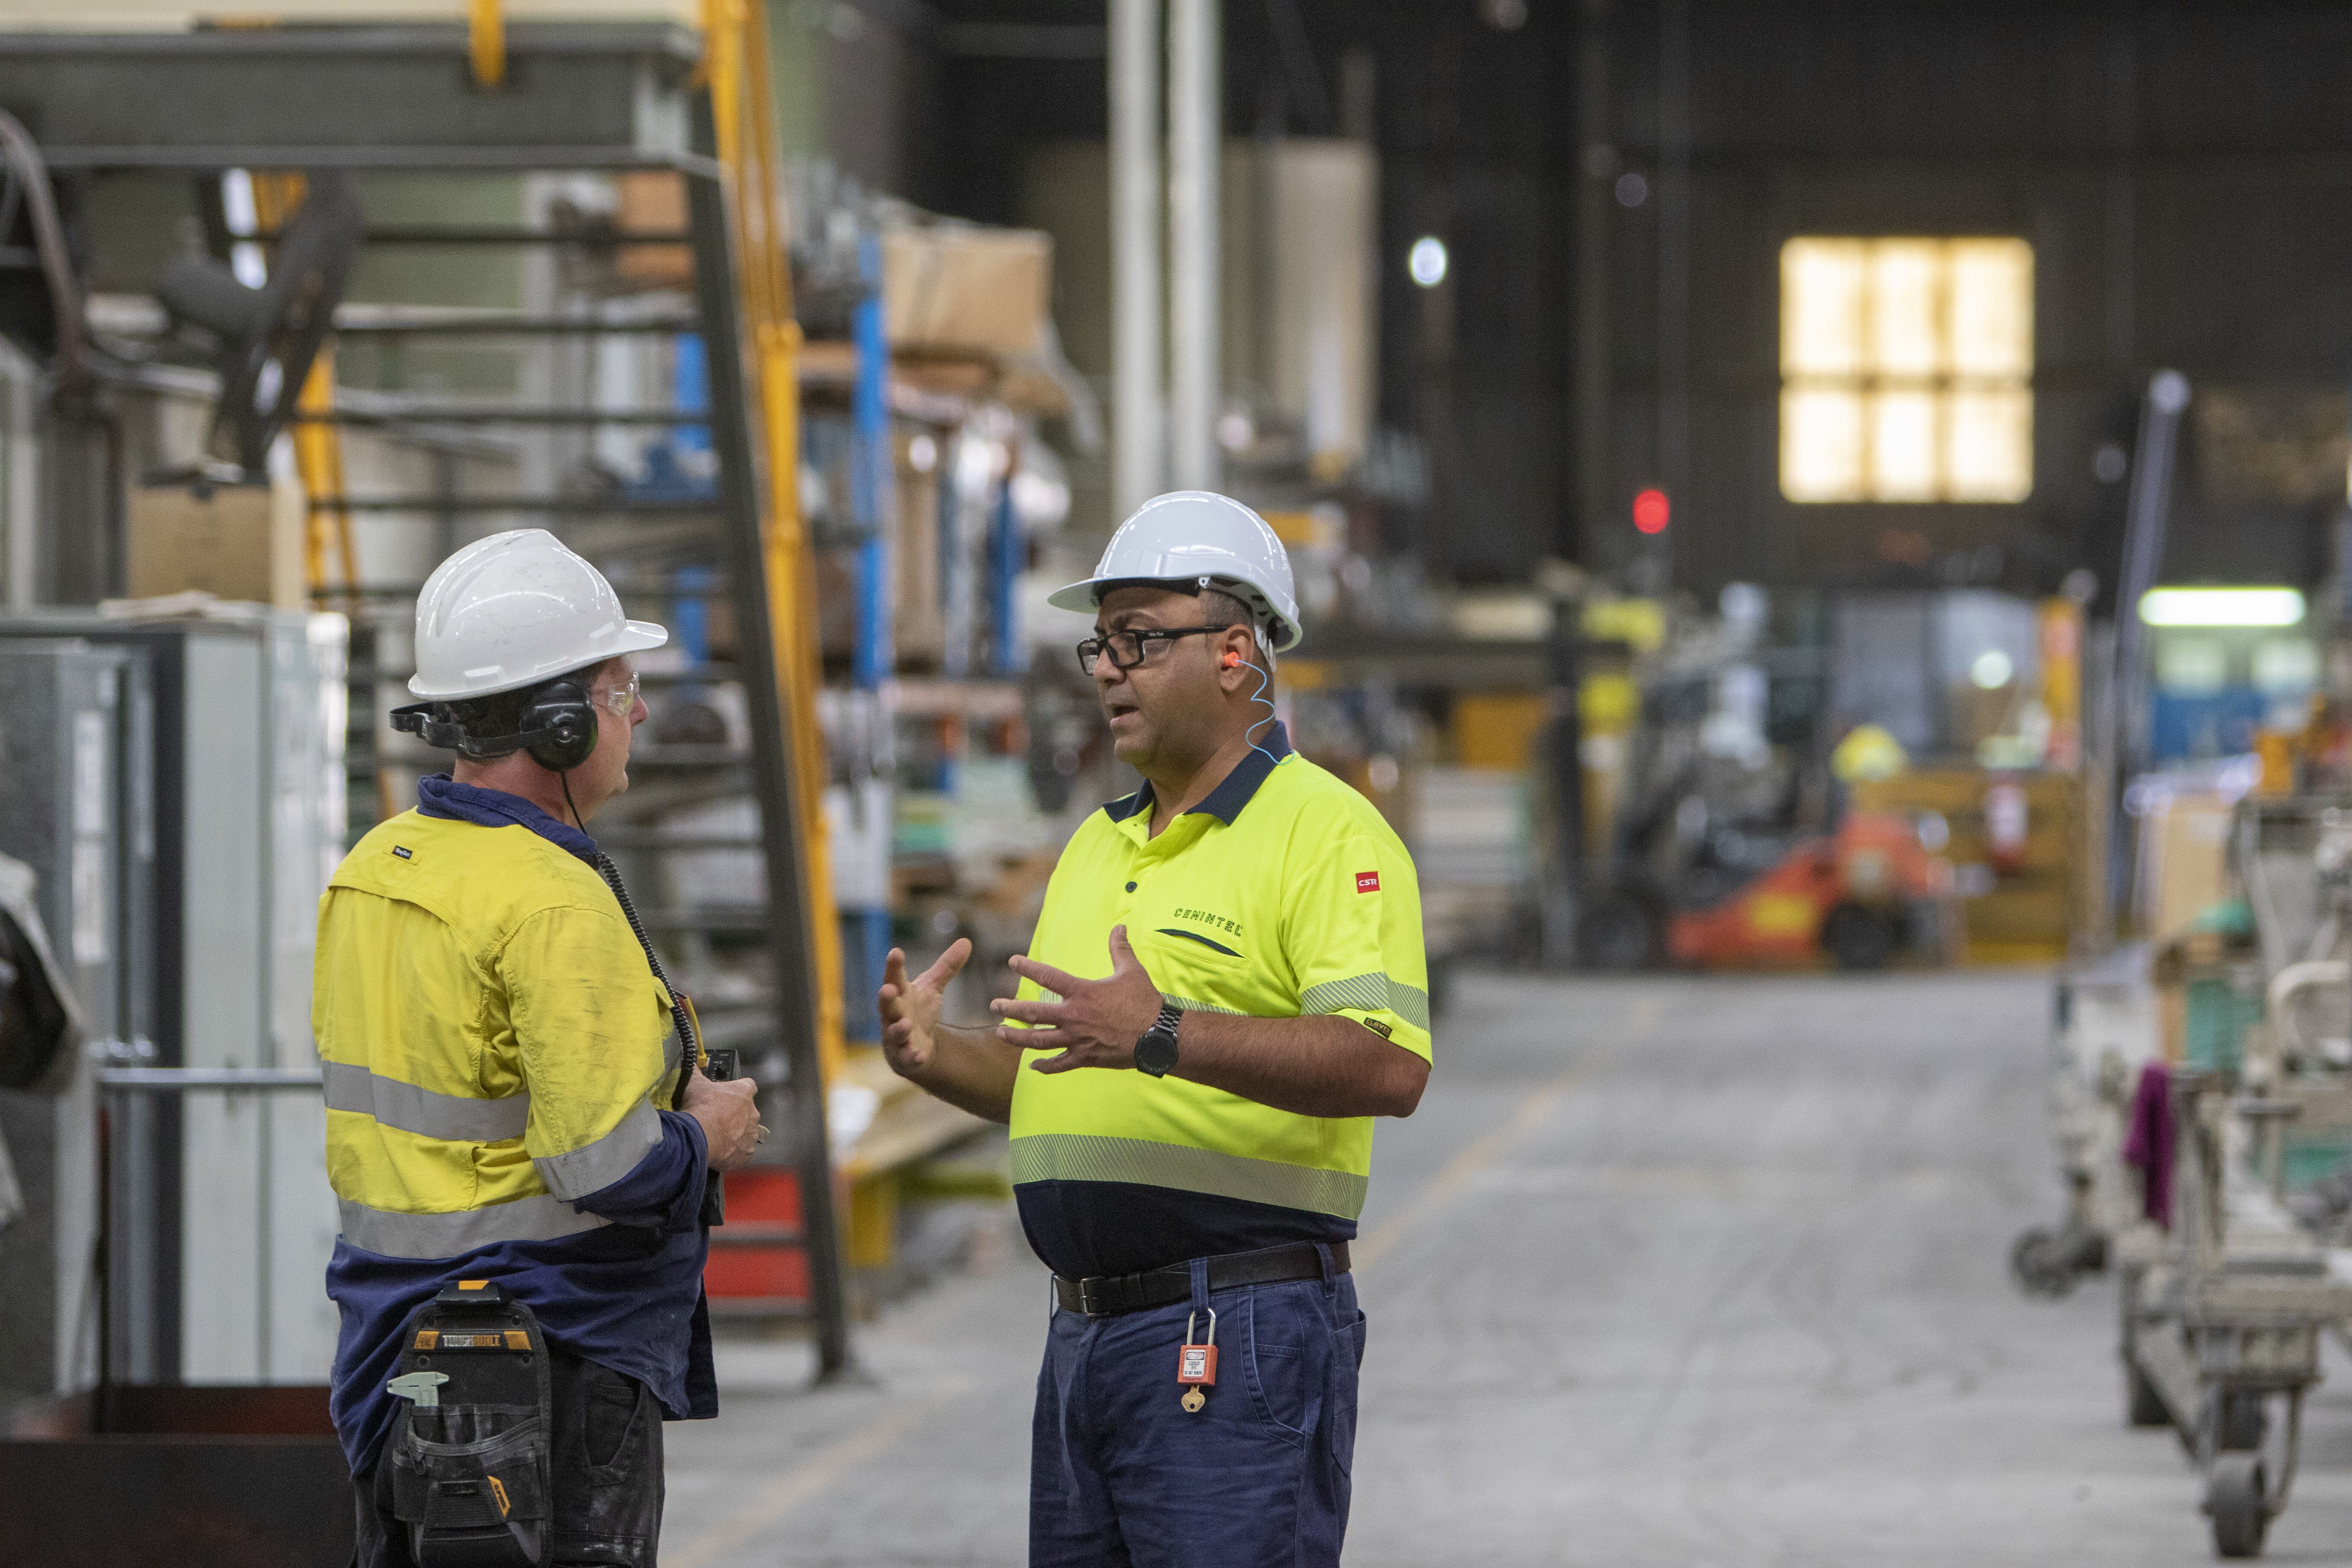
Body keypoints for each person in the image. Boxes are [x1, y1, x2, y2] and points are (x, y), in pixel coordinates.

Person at [877, 491, 1433, 1568]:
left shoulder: (1323, 834)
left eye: (1140, 639)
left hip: (1234, 1337)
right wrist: (933, 1057)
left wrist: (1165, 1031)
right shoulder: (1098, 843)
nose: (1106, 669)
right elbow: (1069, 1080)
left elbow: (1389, 1063)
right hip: (1086, 1340)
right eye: (1102, 641)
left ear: (1235, 654)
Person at [317, 528, 764, 1566]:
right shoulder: (554, 900)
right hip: (546, 1366)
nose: (640, 712)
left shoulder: (377, 865)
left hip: (396, 1356)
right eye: (621, 689)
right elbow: (602, 1166)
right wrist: (707, 1132)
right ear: (560, 724)